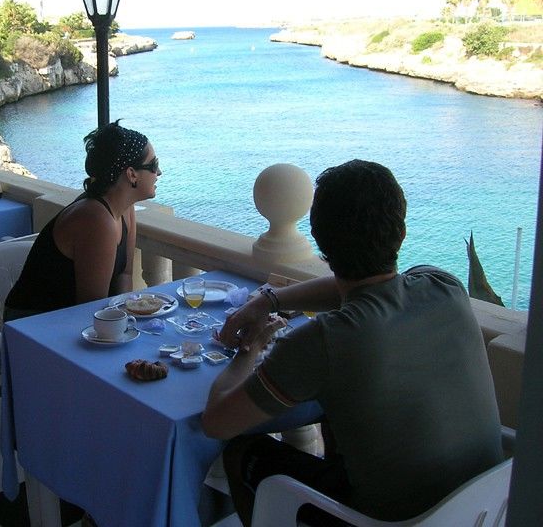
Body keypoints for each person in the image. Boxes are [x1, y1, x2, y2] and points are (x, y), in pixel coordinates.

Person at [201, 159, 503, 526]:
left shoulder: (327, 340)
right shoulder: (444, 287)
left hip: (388, 522)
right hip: (478, 508)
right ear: (400, 230)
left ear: (321, 243)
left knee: (241, 453)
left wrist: (249, 349)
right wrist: (269, 300)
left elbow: (217, 422)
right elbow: (367, 291)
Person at [5, 120, 161, 317]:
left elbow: (125, 274)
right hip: (35, 326)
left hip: (76, 317)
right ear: (132, 174)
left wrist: (127, 316)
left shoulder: (124, 207)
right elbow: (90, 309)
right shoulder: (96, 219)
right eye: (153, 165)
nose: (159, 172)